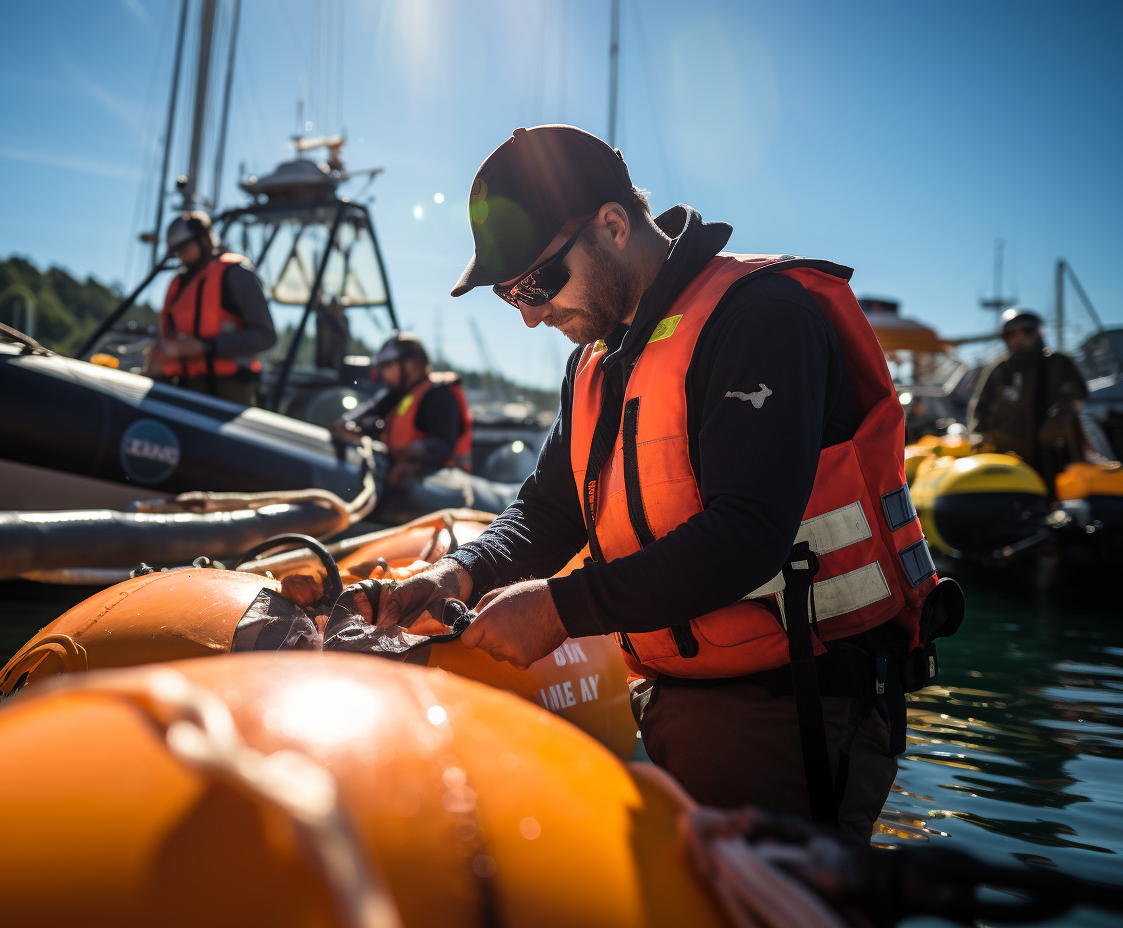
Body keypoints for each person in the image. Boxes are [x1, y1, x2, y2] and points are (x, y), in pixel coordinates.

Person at [337, 125, 951, 839]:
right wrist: (459, 571)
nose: (530, 315)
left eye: (537, 283)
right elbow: (548, 511)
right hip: (676, 697)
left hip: (799, 702)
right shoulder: (597, 360)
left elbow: (747, 532)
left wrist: (561, 608)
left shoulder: (762, 317)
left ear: (613, 225)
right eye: (510, 296)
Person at [147, 211, 277, 405]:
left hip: (230, 394)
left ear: (204, 240)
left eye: (185, 249)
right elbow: (167, 334)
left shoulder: (236, 276)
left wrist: (207, 347)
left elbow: (266, 336)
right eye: (177, 251)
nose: (181, 256)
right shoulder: (178, 284)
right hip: (184, 388)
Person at [331, 333, 474, 485]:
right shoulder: (397, 393)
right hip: (399, 475)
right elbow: (369, 411)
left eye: (387, 366)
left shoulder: (439, 395)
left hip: (439, 482)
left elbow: (444, 445)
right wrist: (347, 424)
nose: (383, 373)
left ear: (411, 365)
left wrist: (419, 450)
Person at [968, 308, 1089, 487]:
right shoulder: (999, 368)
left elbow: (1074, 397)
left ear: (1038, 332)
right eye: (1010, 333)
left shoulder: (1058, 363)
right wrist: (978, 434)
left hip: (1054, 452)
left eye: (1027, 330)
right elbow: (980, 405)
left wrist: (1055, 424)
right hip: (1008, 453)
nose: (1019, 337)